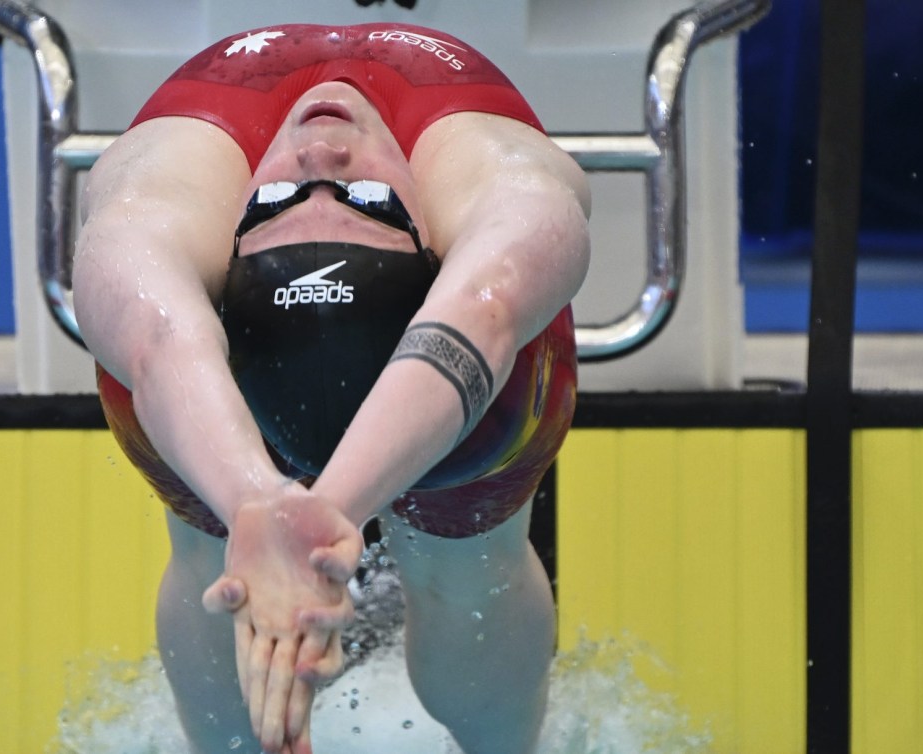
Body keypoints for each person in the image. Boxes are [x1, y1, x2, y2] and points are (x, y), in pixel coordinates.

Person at [73, 23, 589, 754]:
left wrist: (286, 517)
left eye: (274, 201)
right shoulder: (504, 181)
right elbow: (485, 308)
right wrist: (262, 503)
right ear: (427, 240)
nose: (319, 150)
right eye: (367, 201)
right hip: (438, 395)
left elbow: (161, 343)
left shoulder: (163, 188)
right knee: (465, 558)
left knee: (216, 534)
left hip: (446, 377)